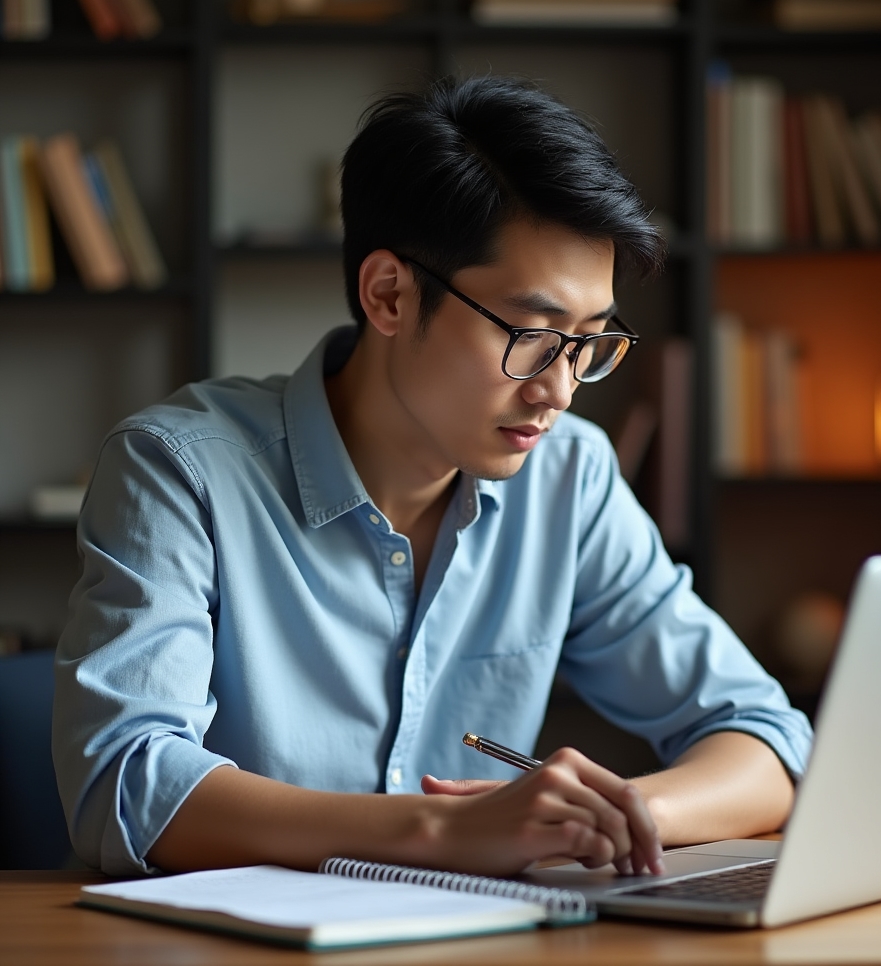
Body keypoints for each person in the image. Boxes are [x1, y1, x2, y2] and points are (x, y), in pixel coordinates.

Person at [53, 76, 812, 878]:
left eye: (589, 340)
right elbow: (122, 783)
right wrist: (443, 834)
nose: (558, 389)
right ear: (389, 294)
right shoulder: (180, 471)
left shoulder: (569, 478)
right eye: (532, 333)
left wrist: (610, 818)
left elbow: (765, 737)